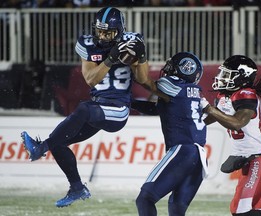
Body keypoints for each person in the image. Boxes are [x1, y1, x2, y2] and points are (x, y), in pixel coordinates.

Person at [21, 7, 158, 208]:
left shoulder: (132, 40)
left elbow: (143, 79)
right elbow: (91, 80)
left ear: (119, 30)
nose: (102, 36)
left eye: (108, 32)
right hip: (98, 107)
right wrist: (110, 59)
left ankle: (41, 148)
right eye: (100, 31)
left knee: (83, 109)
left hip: (118, 110)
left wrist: (141, 56)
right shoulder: (87, 43)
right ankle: (76, 187)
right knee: (59, 142)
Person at [200, 55, 261, 216]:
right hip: (246, 161)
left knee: (240, 211)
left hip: (257, 159)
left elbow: (237, 123)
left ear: (242, 77)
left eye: (227, 74)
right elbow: (211, 118)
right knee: (250, 211)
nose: (222, 78)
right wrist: (193, 119)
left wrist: (209, 108)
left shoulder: (246, 94)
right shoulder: (224, 96)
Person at [131, 52, 208, 216]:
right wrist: (130, 103)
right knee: (176, 209)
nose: (167, 69)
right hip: (200, 156)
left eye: (172, 66)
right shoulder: (192, 91)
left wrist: (137, 61)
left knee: (145, 199)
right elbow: (158, 108)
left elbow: (145, 82)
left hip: (183, 151)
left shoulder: (172, 85)